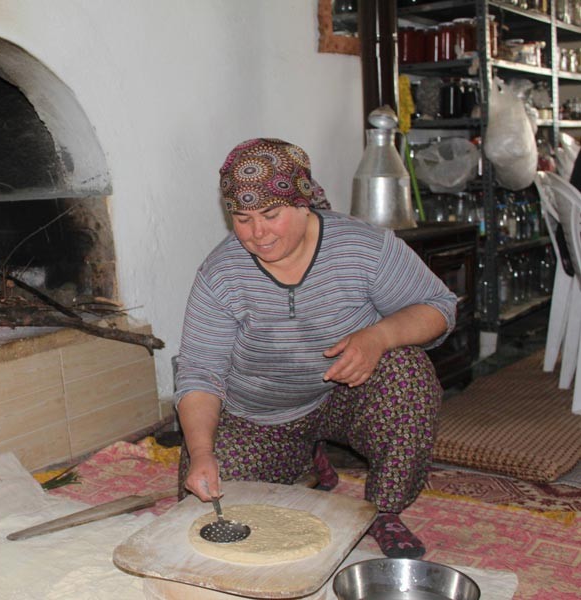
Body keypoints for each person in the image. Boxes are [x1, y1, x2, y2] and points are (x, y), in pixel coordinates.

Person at [174, 138, 457, 559]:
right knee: (208, 510)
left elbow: (439, 308)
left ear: (304, 204)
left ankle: (384, 511)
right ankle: (305, 458)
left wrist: (378, 337)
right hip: (264, 416)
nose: (258, 233)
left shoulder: (364, 247)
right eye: (242, 218)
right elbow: (200, 371)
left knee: (407, 369)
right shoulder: (222, 274)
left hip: (351, 393)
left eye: (271, 214)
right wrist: (201, 452)